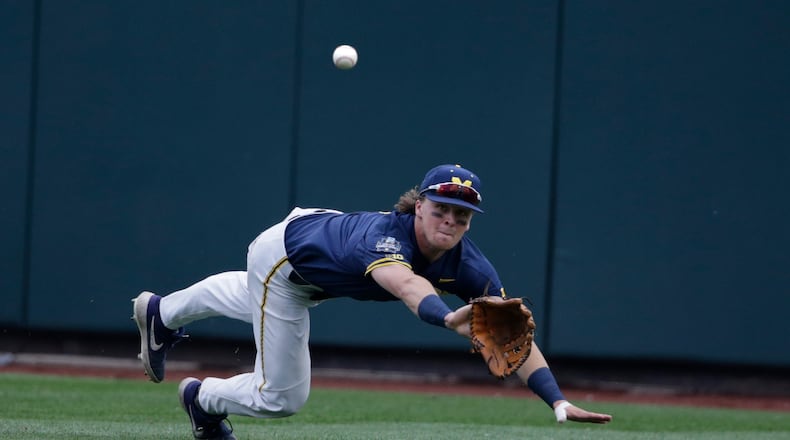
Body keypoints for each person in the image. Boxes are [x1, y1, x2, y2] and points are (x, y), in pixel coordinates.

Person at [132, 164, 612, 439]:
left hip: (311, 239)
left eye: (461, 214)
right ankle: (203, 399)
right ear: (417, 205)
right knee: (282, 396)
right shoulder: (386, 240)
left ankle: (162, 312)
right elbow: (407, 286)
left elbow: (511, 336)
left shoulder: (472, 267)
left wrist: (558, 399)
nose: (450, 220)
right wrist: (448, 318)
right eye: (440, 208)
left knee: (245, 293)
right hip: (286, 263)